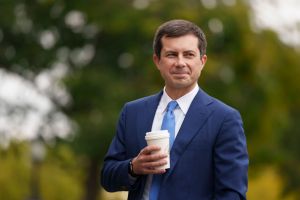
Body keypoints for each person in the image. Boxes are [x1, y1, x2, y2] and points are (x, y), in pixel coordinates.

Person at [101, 19, 248, 200]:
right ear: (157, 61)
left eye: (188, 54)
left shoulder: (224, 119)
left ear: (202, 61)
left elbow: (232, 194)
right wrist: (133, 167)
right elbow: (107, 177)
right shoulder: (132, 112)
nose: (180, 62)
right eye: (171, 54)